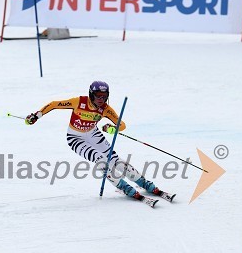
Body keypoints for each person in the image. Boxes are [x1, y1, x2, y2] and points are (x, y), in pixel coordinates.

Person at [25, 81, 175, 204]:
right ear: (91, 94)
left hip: (94, 135)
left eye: (104, 96)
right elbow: (54, 104)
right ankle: (125, 188)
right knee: (101, 161)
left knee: (117, 161)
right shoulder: (79, 102)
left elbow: (121, 125)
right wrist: (37, 115)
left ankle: (146, 184)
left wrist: (111, 129)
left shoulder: (105, 109)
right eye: (98, 96)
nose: (101, 100)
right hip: (75, 138)